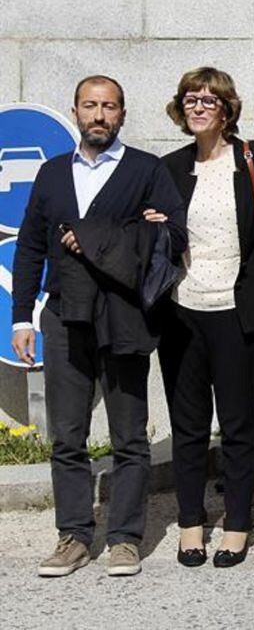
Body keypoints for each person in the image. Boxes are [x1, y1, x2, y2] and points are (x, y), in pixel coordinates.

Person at [11, 75, 187, 577]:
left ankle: (125, 539)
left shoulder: (147, 170)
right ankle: (72, 537)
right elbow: (28, 248)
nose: (99, 115)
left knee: (130, 436)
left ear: (123, 115)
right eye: (90, 106)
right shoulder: (50, 174)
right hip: (64, 315)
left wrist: (91, 236)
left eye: (109, 107)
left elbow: (174, 235)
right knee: (66, 436)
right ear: (75, 111)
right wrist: (22, 317)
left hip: (124, 317)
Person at [158, 67, 254, 568]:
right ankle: (191, 523)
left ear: (227, 108)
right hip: (180, 310)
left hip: (236, 312)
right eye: (190, 99)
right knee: (187, 425)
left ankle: (236, 524)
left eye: (208, 100)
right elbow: (157, 234)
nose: (198, 107)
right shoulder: (167, 168)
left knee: (237, 426)